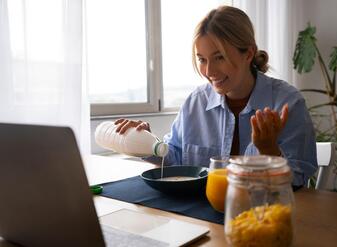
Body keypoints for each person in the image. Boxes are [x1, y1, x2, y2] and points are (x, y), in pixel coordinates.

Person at [115, 6, 317, 187]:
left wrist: (269, 151)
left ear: (248, 53)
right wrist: (146, 143)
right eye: (202, 59)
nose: (209, 71)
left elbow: (298, 178)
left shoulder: (288, 103)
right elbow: (175, 159)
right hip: (202, 218)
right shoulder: (196, 103)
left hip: (263, 216)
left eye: (219, 57)